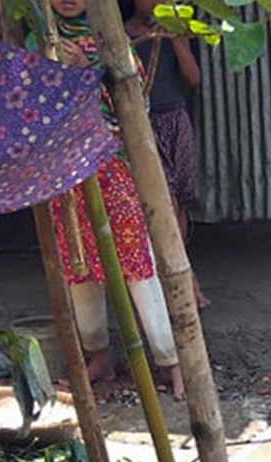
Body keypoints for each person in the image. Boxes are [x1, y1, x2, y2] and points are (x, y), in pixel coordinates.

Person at [44, 0, 185, 400]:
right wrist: (58, 74)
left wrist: (86, 75)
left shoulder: (112, 39)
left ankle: (171, 361)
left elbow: (136, 102)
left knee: (138, 264)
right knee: (80, 268)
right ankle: (99, 357)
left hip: (111, 166)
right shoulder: (40, 42)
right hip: (65, 173)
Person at [125, 0, 210, 310]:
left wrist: (176, 38)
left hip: (176, 120)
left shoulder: (177, 33)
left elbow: (194, 78)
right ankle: (187, 283)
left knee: (179, 203)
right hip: (145, 127)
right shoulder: (125, 35)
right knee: (167, 202)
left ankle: (179, 272)